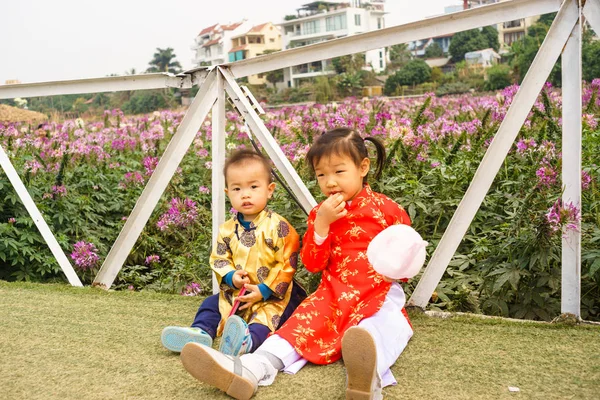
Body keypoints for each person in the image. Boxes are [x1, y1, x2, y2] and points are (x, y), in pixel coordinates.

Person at [180, 128, 414, 400]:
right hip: (332, 292)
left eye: (339, 172)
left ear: (363, 167)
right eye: (321, 175)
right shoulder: (320, 213)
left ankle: (365, 379)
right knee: (298, 325)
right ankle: (250, 369)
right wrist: (323, 224)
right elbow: (313, 264)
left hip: (378, 290)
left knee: (376, 328)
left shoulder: (387, 209)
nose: (330, 182)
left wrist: (397, 266)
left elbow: (407, 256)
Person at [162, 149, 306, 357]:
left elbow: (287, 263)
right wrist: (231, 276)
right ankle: (201, 331)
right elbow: (219, 258)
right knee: (211, 304)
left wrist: (264, 290)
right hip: (237, 294)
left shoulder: (280, 227)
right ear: (228, 192)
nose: (245, 194)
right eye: (237, 189)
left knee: (265, 318)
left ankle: (247, 341)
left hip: (271, 296)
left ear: (269, 189)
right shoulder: (227, 229)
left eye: (254, 187)